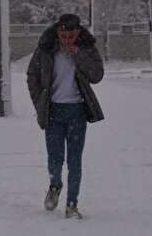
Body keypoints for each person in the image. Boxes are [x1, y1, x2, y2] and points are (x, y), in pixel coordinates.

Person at [26, 13, 105, 219]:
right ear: (58, 32)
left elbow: (97, 75)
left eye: (71, 37)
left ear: (78, 33)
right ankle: (55, 186)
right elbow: (32, 75)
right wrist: (39, 102)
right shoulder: (47, 47)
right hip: (53, 111)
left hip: (77, 112)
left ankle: (72, 204)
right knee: (54, 159)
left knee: (75, 160)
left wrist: (78, 54)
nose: (66, 41)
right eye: (63, 36)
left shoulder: (86, 47)